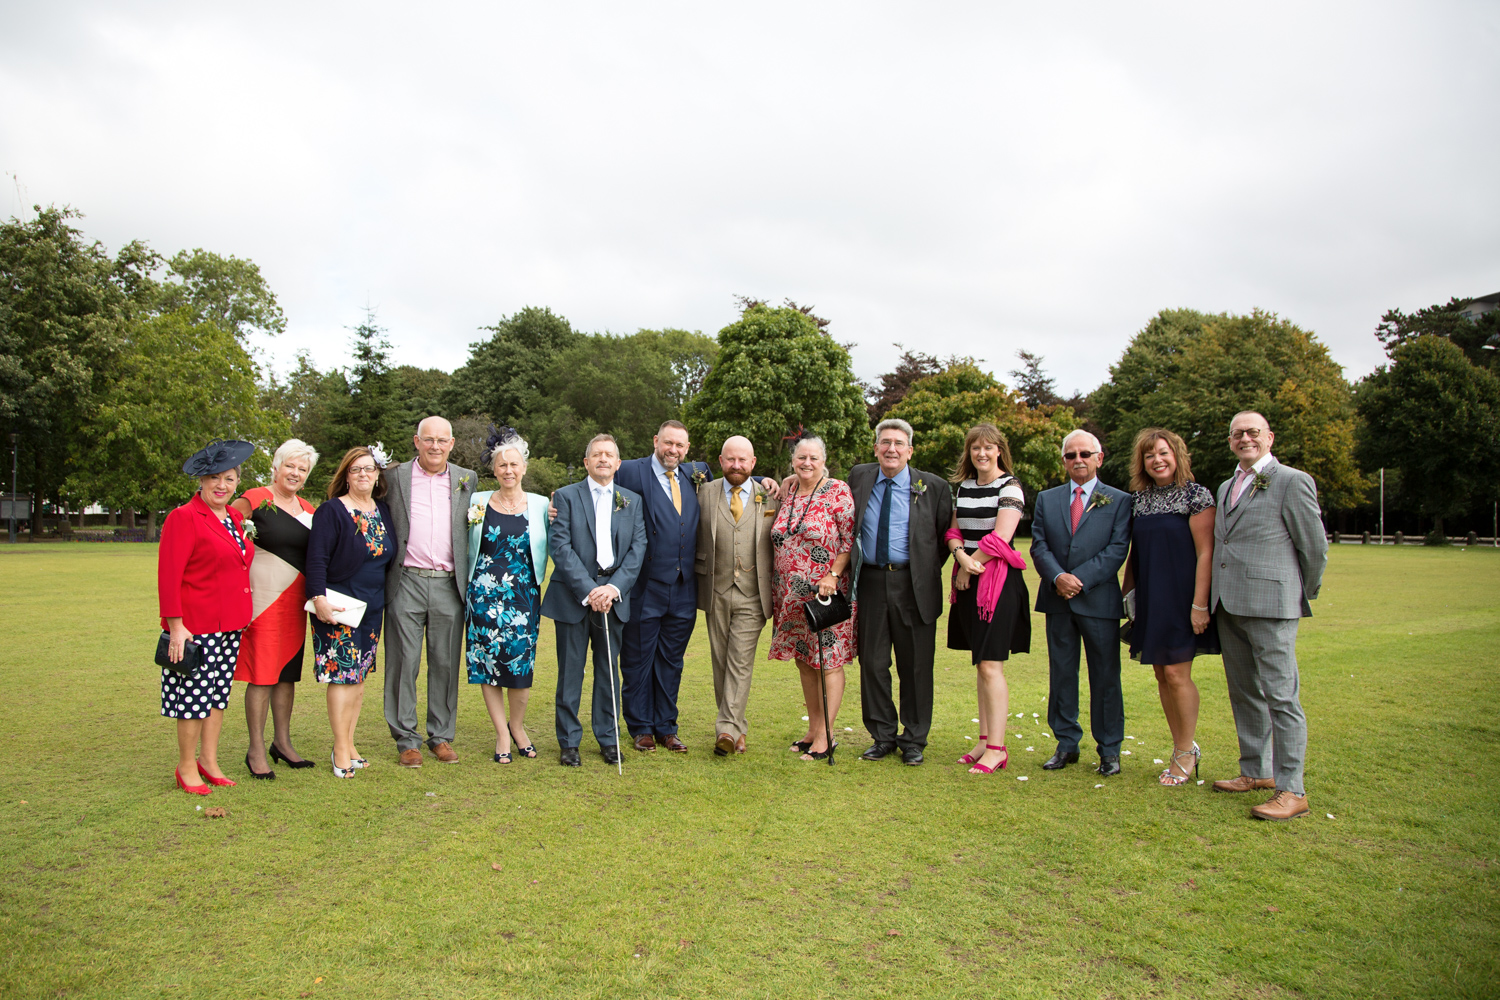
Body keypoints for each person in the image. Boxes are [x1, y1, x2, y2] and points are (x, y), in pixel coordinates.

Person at [1210, 411, 1328, 821]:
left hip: (1272, 604)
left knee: (1281, 696)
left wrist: (1297, 593)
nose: (1245, 438)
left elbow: (1314, 548)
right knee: (1244, 692)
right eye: (1237, 433)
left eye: (1252, 432)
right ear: (1230, 441)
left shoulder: (1292, 481)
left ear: (1269, 437)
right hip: (1228, 604)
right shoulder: (1227, 486)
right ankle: (1255, 771)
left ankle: (1292, 789)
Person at [848, 419, 953, 766]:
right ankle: (882, 735)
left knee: (916, 665)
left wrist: (919, 570)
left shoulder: (933, 487)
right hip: (872, 583)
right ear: (875, 447)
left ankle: (914, 739)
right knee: (873, 663)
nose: (891, 449)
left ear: (910, 450)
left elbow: (940, 539)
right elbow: (816, 485)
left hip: (914, 585)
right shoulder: (859, 477)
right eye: (885, 442)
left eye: (898, 443)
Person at [540, 434, 647, 766]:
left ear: (618, 463)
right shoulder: (566, 497)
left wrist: (612, 590)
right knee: (570, 671)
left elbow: (637, 549)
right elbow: (560, 548)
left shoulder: (631, 500)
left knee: (607, 670)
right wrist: (590, 591)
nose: (603, 458)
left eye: (609, 455)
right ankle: (569, 741)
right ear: (586, 463)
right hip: (575, 597)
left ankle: (608, 738)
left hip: (613, 598)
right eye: (596, 454)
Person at [1121, 428, 1220, 786]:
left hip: (1183, 597)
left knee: (1178, 674)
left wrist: (1199, 604)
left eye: (1163, 453)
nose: (1157, 460)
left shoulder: (1196, 496)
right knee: (1161, 674)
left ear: (1177, 454)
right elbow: (1135, 554)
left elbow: (1205, 552)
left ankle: (1184, 752)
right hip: (1150, 596)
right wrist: (1128, 595)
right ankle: (1182, 747)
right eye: (1149, 455)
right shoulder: (1139, 499)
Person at [1030, 430, 1132, 776]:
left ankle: (1110, 749)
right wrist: (1058, 577)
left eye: (1085, 454)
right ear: (1064, 461)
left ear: (1098, 458)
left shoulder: (1119, 500)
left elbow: (1118, 549)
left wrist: (1081, 580)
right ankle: (1066, 743)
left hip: (1098, 601)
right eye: (1071, 455)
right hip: (1057, 600)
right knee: (1062, 674)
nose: (1078, 460)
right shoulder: (1047, 498)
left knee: (1105, 676)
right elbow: (1038, 545)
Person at [158, 439, 257, 794]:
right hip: (195, 626)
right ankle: (186, 767)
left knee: (217, 696)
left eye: (229, 479)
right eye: (214, 478)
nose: (222, 486)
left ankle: (209, 760)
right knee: (193, 698)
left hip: (231, 624)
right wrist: (176, 626)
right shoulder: (183, 517)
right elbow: (168, 576)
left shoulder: (234, 517)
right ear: (200, 481)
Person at [384, 416, 478, 767]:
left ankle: (441, 735)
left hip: (449, 583)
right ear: (416, 441)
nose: (435, 446)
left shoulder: (467, 480)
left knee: (444, 662)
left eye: (442, 440)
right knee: (403, 662)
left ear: (452, 443)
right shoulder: (394, 478)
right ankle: (406, 739)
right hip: (405, 579)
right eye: (428, 440)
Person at [613, 420, 711, 753]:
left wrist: (766, 480)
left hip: (683, 588)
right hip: (644, 585)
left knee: (672, 660)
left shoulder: (696, 474)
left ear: (687, 449)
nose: (673, 450)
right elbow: (593, 487)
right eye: (668, 443)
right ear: (656, 440)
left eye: (680, 446)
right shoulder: (629, 470)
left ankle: (667, 727)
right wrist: (558, 505)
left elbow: (734, 480)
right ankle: (640, 726)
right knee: (638, 659)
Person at [944, 425, 1030, 775]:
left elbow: (1002, 537)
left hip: (996, 584)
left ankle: (997, 749)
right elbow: (953, 531)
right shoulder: (963, 487)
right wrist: (961, 558)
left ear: (999, 451)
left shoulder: (1010, 486)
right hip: (968, 581)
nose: (982, 453)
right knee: (980, 663)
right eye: (975, 448)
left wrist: (969, 564)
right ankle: (983, 740)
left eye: (988, 448)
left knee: (992, 664)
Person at [231, 438, 320, 778]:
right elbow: (226, 531)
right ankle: (255, 749)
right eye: (290, 465)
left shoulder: (310, 510)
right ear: (276, 466)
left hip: (296, 603)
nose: (295, 473)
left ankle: (282, 743)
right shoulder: (255, 498)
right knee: (262, 675)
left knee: (286, 676)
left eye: (302, 468)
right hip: (262, 600)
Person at [305, 446, 395, 778]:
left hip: (372, 607)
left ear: (377, 475)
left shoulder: (381, 510)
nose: (362, 475)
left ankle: (350, 742)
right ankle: (340, 748)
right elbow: (316, 558)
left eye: (369, 469)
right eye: (355, 470)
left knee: (358, 679)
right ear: (345, 475)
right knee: (342, 677)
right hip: (339, 606)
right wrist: (318, 598)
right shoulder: (331, 511)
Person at [463, 428, 550, 763]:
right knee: (488, 666)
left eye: (514, 464)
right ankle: (501, 732)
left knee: (519, 667)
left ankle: (518, 726)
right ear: (494, 470)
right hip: (482, 597)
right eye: (502, 465)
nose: (508, 470)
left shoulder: (543, 504)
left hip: (523, 598)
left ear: (524, 468)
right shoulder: (476, 502)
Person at [769, 435, 856, 762]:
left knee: (828, 662)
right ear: (793, 460)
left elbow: (848, 541)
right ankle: (813, 729)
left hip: (825, 593)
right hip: (789, 596)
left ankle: (826, 736)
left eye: (813, 458)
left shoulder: (838, 491)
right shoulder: (788, 491)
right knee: (805, 660)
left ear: (823, 460)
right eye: (801, 458)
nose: (807, 463)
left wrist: (832, 574)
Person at [694, 435, 778, 756]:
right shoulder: (703, 492)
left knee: (740, 660)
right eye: (730, 460)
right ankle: (737, 727)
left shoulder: (769, 495)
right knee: (720, 661)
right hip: (714, 588)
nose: (736, 466)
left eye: (743, 460)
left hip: (753, 592)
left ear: (753, 463)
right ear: (720, 460)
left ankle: (726, 730)